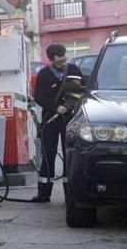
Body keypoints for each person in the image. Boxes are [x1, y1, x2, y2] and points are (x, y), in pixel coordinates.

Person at [32, 43, 82, 202]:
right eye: (59, 61)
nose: (63, 62)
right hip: (51, 120)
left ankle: (71, 194)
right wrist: (55, 107)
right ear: (51, 60)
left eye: (64, 59)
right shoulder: (44, 75)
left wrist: (70, 106)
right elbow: (38, 96)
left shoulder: (74, 70)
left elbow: (81, 90)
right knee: (48, 154)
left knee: (70, 156)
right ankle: (44, 193)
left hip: (70, 119)